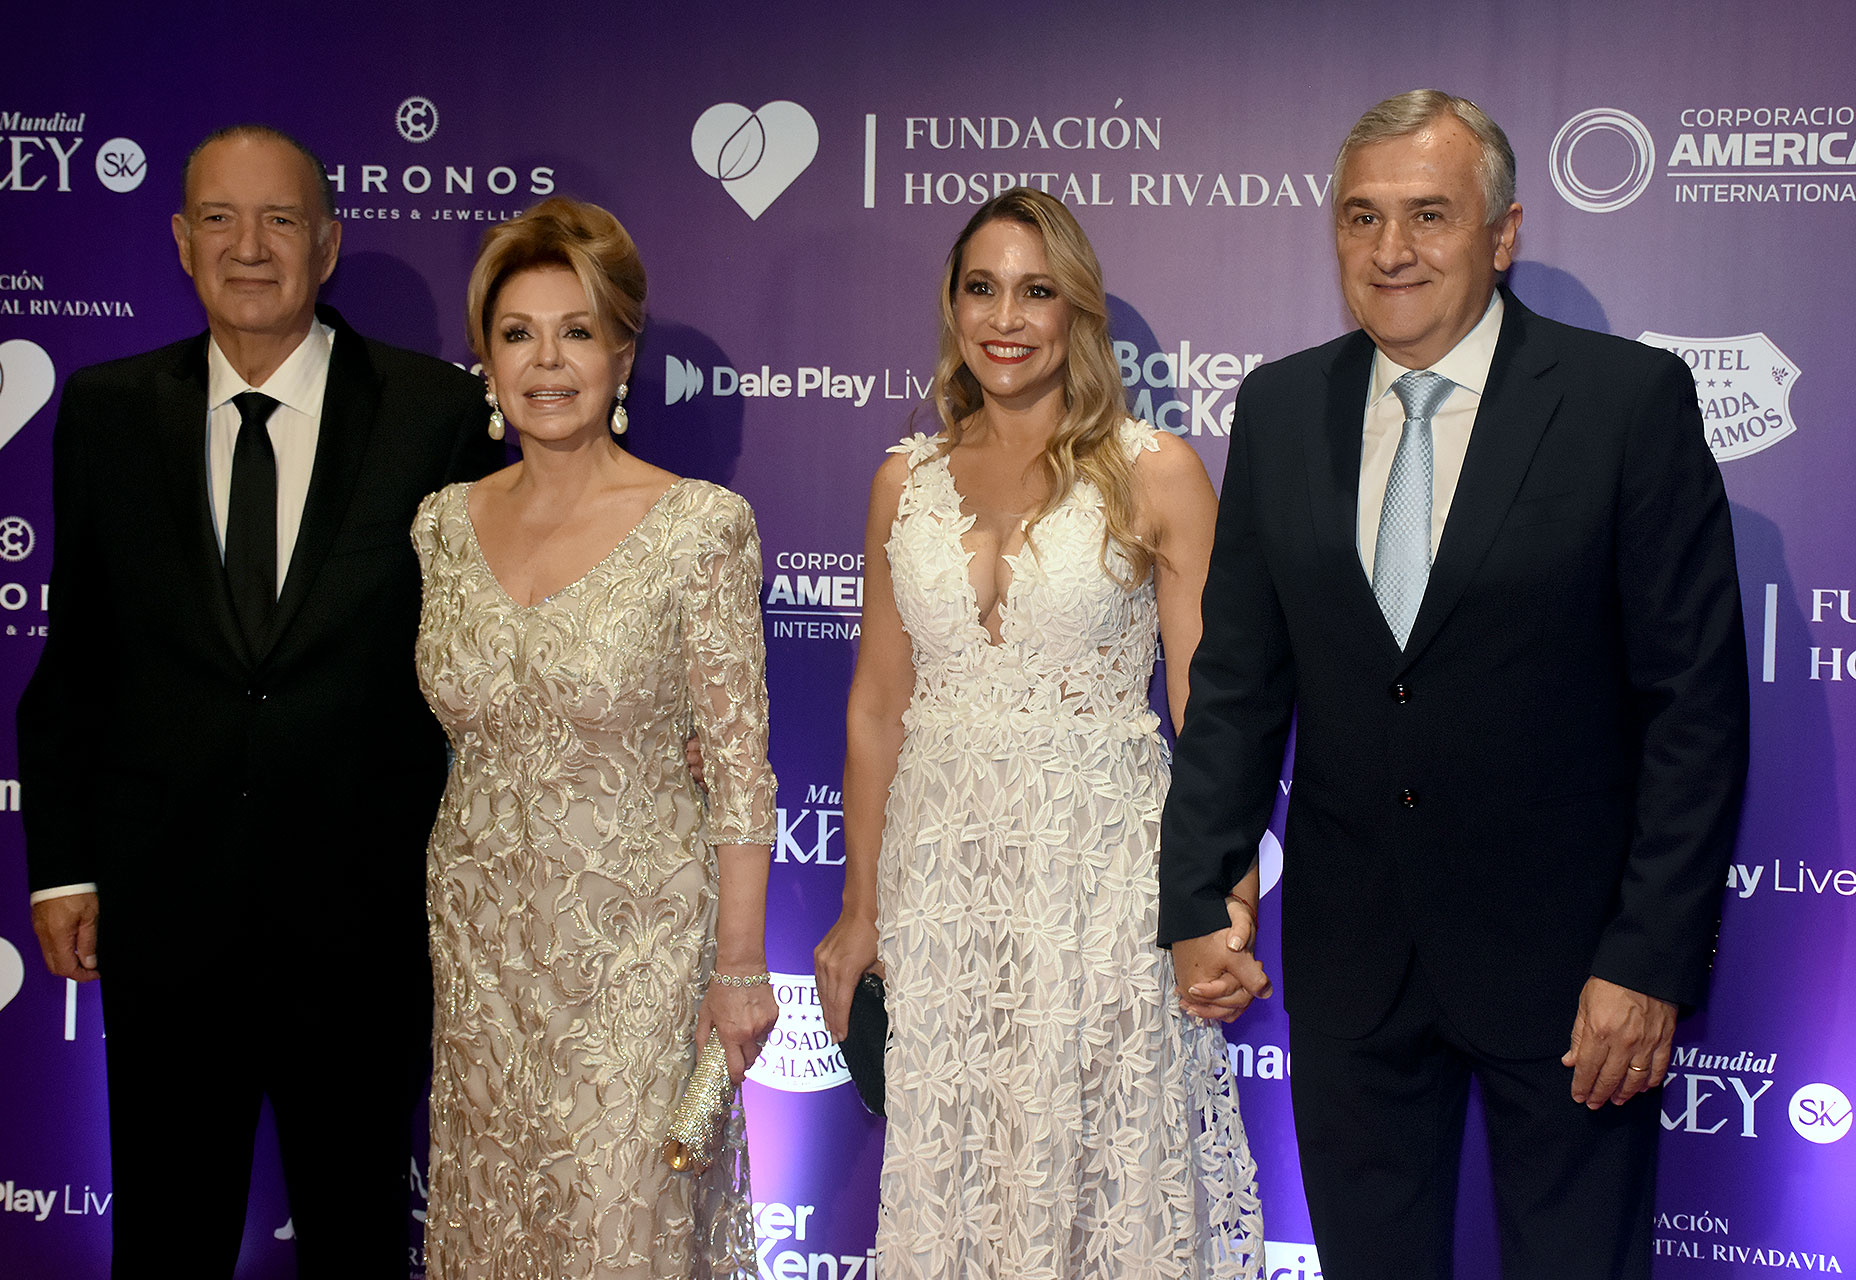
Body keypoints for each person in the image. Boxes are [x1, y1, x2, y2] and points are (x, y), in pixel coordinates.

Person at [1159, 90, 1750, 1280]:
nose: (1390, 250)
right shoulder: (1280, 408)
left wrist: (1648, 955)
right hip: (1352, 968)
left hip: (1577, 973)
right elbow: (1234, 686)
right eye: (1361, 216)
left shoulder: (1625, 403)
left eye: (1430, 214)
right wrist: (1195, 894)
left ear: (1505, 231)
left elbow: (1695, 706)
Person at [16, 125, 504, 1275]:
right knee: (169, 1229)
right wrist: (65, 863)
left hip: (364, 916)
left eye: (280, 220)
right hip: (163, 906)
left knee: (356, 1228)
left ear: (327, 245)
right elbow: (74, 651)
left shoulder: (433, 410)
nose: (251, 247)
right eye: (222, 221)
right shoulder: (106, 409)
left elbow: (490, 658)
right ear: (182, 243)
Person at [814, 187, 1263, 1280]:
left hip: (1104, 881)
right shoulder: (900, 481)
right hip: (944, 886)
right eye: (982, 288)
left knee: (1105, 1174)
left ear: (1078, 312)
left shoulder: (1157, 470)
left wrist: (1223, 896)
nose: (1005, 317)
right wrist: (859, 908)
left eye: (1036, 290)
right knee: (962, 1173)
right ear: (953, 306)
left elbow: (1212, 711)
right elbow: (878, 704)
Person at [413, 195, 778, 1279]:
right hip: (480, 954)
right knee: (495, 1227)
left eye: (577, 331)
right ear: (486, 358)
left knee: (622, 1229)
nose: (548, 361)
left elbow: (741, 773)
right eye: (518, 333)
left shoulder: (699, 526)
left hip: (639, 961)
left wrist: (741, 968)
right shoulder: (440, 522)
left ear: (623, 351)